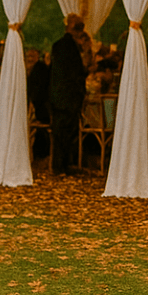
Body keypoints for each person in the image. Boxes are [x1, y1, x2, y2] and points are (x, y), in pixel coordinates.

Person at [49, 14, 88, 175]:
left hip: (60, 96)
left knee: (62, 133)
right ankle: (60, 165)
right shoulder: (70, 47)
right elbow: (74, 73)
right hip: (67, 97)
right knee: (63, 132)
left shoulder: (59, 45)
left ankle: (61, 164)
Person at [25, 47, 51, 159]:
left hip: (41, 109)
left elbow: (37, 91)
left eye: (32, 56)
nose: (29, 59)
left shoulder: (38, 70)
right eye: (28, 57)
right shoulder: (37, 69)